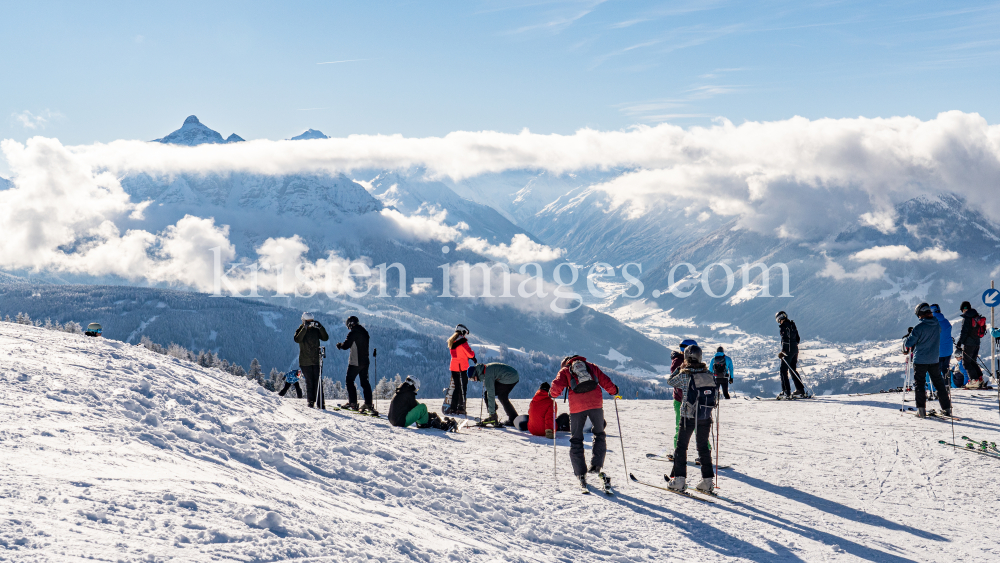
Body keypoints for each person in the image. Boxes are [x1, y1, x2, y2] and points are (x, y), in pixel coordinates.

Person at [549, 355, 619, 492]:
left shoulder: (565, 371)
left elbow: (556, 386)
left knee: (576, 438)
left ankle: (580, 471)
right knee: (599, 434)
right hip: (596, 404)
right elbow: (605, 380)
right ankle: (596, 466)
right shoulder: (591, 366)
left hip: (577, 408)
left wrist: (552, 394)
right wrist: (614, 391)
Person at [666, 345, 717, 494]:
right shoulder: (708, 373)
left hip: (688, 416)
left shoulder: (684, 374)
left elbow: (670, 381)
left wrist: (679, 367)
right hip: (705, 416)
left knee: (681, 447)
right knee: (703, 448)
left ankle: (680, 480)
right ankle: (707, 482)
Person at [904, 303, 951, 418]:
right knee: (939, 383)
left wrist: (910, 335)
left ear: (920, 314)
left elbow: (908, 343)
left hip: (920, 360)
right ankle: (947, 409)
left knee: (919, 384)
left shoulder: (919, 328)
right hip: (934, 359)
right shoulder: (937, 325)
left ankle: (921, 410)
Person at [336, 316, 374, 412]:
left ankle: (353, 403)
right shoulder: (365, 332)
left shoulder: (353, 333)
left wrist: (340, 345)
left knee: (349, 381)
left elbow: (346, 346)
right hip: (365, 361)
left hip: (355, 362)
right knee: (365, 382)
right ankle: (368, 404)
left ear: (350, 324)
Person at [293, 312, 329, 409]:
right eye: (308, 322)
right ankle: (311, 402)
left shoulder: (316, 330)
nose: (310, 323)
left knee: (318, 381)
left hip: (316, 360)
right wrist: (304, 328)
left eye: (311, 321)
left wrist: (320, 327)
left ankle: (320, 403)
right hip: (305, 361)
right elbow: (297, 339)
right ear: (304, 321)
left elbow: (325, 338)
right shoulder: (300, 329)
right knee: (309, 381)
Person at [469, 362, 520, 426]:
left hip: (509, 378)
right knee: (502, 396)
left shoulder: (487, 375)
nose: (474, 380)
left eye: (473, 378)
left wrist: (492, 412)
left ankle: (493, 416)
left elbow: (490, 394)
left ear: (475, 374)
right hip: (513, 376)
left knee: (488, 394)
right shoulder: (484, 369)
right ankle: (513, 418)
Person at [670, 339, 697, 454]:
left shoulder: (688, 361)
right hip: (681, 400)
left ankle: (705, 452)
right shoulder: (679, 362)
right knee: (681, 426)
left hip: (688, 399)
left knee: (696, 427)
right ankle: (678, 452)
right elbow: (674, 380)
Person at [446, 325, 477, 415]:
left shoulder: (452, 341)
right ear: (462, 332)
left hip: (454, 367)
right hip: (462, 368)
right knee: (463, 389)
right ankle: (461, 408)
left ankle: (453, 407)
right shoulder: (463, 342)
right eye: (465, 333)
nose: (465, 335)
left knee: (456, 388)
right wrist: (473, 355)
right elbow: (470, 354)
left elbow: (459, 354)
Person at [956, 301, 986, 389]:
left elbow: (964, 332)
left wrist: (959, 342)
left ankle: (974, 380)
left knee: (966, 363)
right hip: (977, 342)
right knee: (973, 361)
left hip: (969, 344)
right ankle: (980, 379)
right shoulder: (976, 316)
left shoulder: (967, 318)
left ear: (964, 309)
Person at [776, 311, 806, 398]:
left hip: (787, 352)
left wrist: (783, 352)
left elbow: (785, 339)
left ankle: (786, 392)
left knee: (783, 370)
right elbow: (798, 339)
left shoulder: (783, 327)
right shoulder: (792, 324)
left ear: (779, 318)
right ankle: (800, 390)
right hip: (795, 350)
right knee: (793, 370)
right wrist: (793, 348)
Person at [930, 305, 954, 388]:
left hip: (937, 351)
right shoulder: (946, 321)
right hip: (948, 349)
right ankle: (947, 384)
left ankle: (938, 388)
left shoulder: (932, 322)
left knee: (936, 370)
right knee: (945, 368)